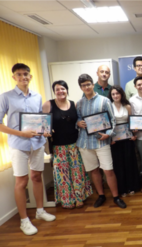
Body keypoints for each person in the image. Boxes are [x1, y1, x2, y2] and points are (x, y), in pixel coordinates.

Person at [0, 63, 56, 236]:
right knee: (22, 182)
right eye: (19, 74)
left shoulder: (37, 96)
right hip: (19, 145)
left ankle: (40, 211)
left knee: (37, 176)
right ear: (14, 77)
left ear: (30, 76)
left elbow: (39, 119)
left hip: (37, 143)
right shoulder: (6, 97)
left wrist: (46, 130)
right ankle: (24, 221)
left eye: (26, 74)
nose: (23, 77)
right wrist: (20, 133)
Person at [76, 74, 126, 209]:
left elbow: (113, 120)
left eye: (88, 84)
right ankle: (101, 195)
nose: (86, 87)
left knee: (108, 170)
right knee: (94, 171)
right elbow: (78, 119)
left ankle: (116, 197)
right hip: (85, 143)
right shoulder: (79, 103)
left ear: (93, 84)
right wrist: (78, 123)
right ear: (80, 87)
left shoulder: (104, 101)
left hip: (101, 142)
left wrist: (108, 134)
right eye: (83, 85)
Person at [42, 80, 92, 209]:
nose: (60, 91)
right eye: (57, 89)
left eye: (63, 89)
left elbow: (78, 121)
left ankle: (79, 197)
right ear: (54, 91)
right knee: (62, 174)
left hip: (75, 144)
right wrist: (46, 131)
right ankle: (67, 199)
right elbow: (42, 123)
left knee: (78, 172)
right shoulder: (49, 104)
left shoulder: (74, 104)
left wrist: (79, 123)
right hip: (58, 146)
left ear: (67, 90)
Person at [108, 86, 141, 197]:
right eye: (113, 94)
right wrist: (109, 139)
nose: (115, 96)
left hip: (127, 139)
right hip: (114, 141)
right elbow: (107, 125)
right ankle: (121, 189)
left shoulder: (127, 106)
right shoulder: (108, 107)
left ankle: (131, 186)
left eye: (117, 93)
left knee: (129, 163)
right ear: (111, 96)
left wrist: (134, 134)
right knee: (118, 165)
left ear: (121, 94)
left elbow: (131, 122)